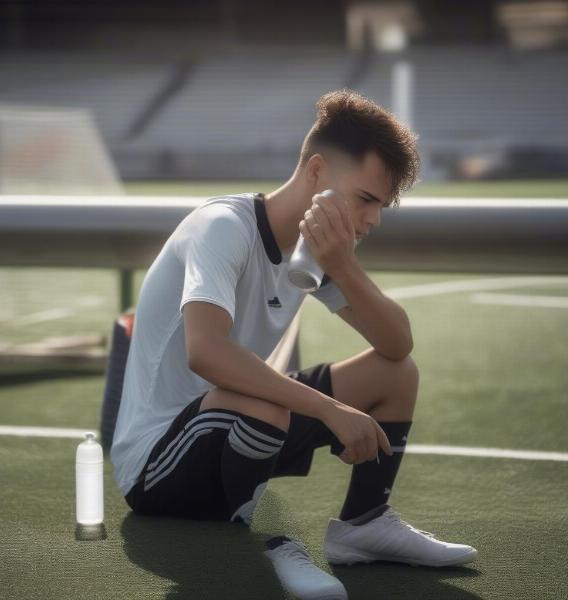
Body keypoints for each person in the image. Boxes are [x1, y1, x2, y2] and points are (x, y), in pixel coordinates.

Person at [110, 88, 477, 599]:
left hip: (244, 421)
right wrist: (330, 409)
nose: (372, 220)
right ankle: (264, 545)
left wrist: (344, 266)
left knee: (396, 374)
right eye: (367, 199)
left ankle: (364, 523)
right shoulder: (223, 227)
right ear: (318, 173)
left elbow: (397, 344)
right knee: (265, 405)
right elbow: (207, 353)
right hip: (157, 463)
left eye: (382, 206)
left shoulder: (313, 250)